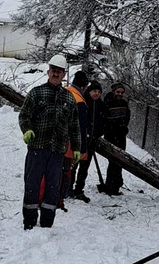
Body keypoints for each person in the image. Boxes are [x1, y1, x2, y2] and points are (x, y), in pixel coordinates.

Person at [19, 54, 81, 229]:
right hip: (37, 148)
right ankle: (29, 221)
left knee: (53, 187)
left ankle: (47, 222)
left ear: (64, 75)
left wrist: (77, 148)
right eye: (53, 71)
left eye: (59, 72)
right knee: (32, 184)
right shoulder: (37, 93)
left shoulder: (69, 99)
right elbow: (24, 115)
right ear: (48, 72)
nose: (56, 74)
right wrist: (27, 130)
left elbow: (75, 126)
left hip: (57, 151)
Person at [72, 80, 104, 202]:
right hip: (79, 139)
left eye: (98, 92)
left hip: (92, 141)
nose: (96, 93)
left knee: (84, 168)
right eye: (94, 91)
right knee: (73, 165)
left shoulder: (101, 106)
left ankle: (79, 189)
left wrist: (97, 134)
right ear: (89, 91)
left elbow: (103, 123)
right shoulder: (83, 103)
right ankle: (68, 188)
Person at [62, 70, 89, 207]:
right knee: (69, 167)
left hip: (59, 136)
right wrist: (82, 147)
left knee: (60, 166)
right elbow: (81, 127)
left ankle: (59, 188)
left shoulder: (65, 91)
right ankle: (65, 191)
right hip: (71, 140)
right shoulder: (79, 101)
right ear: (84, 87)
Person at [101, 83, 131, 195]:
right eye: (118, 92)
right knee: (113, 161)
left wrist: (123, 128)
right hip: (111, 136)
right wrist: (111, 129)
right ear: (113, 91)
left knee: (119, 161)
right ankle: (111, 185)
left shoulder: (124, 104)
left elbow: (127, 117)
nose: (120, 94)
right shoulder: (107, 103)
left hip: (121, 136)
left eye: (122, 93)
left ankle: (116, 185)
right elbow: (104, 120)